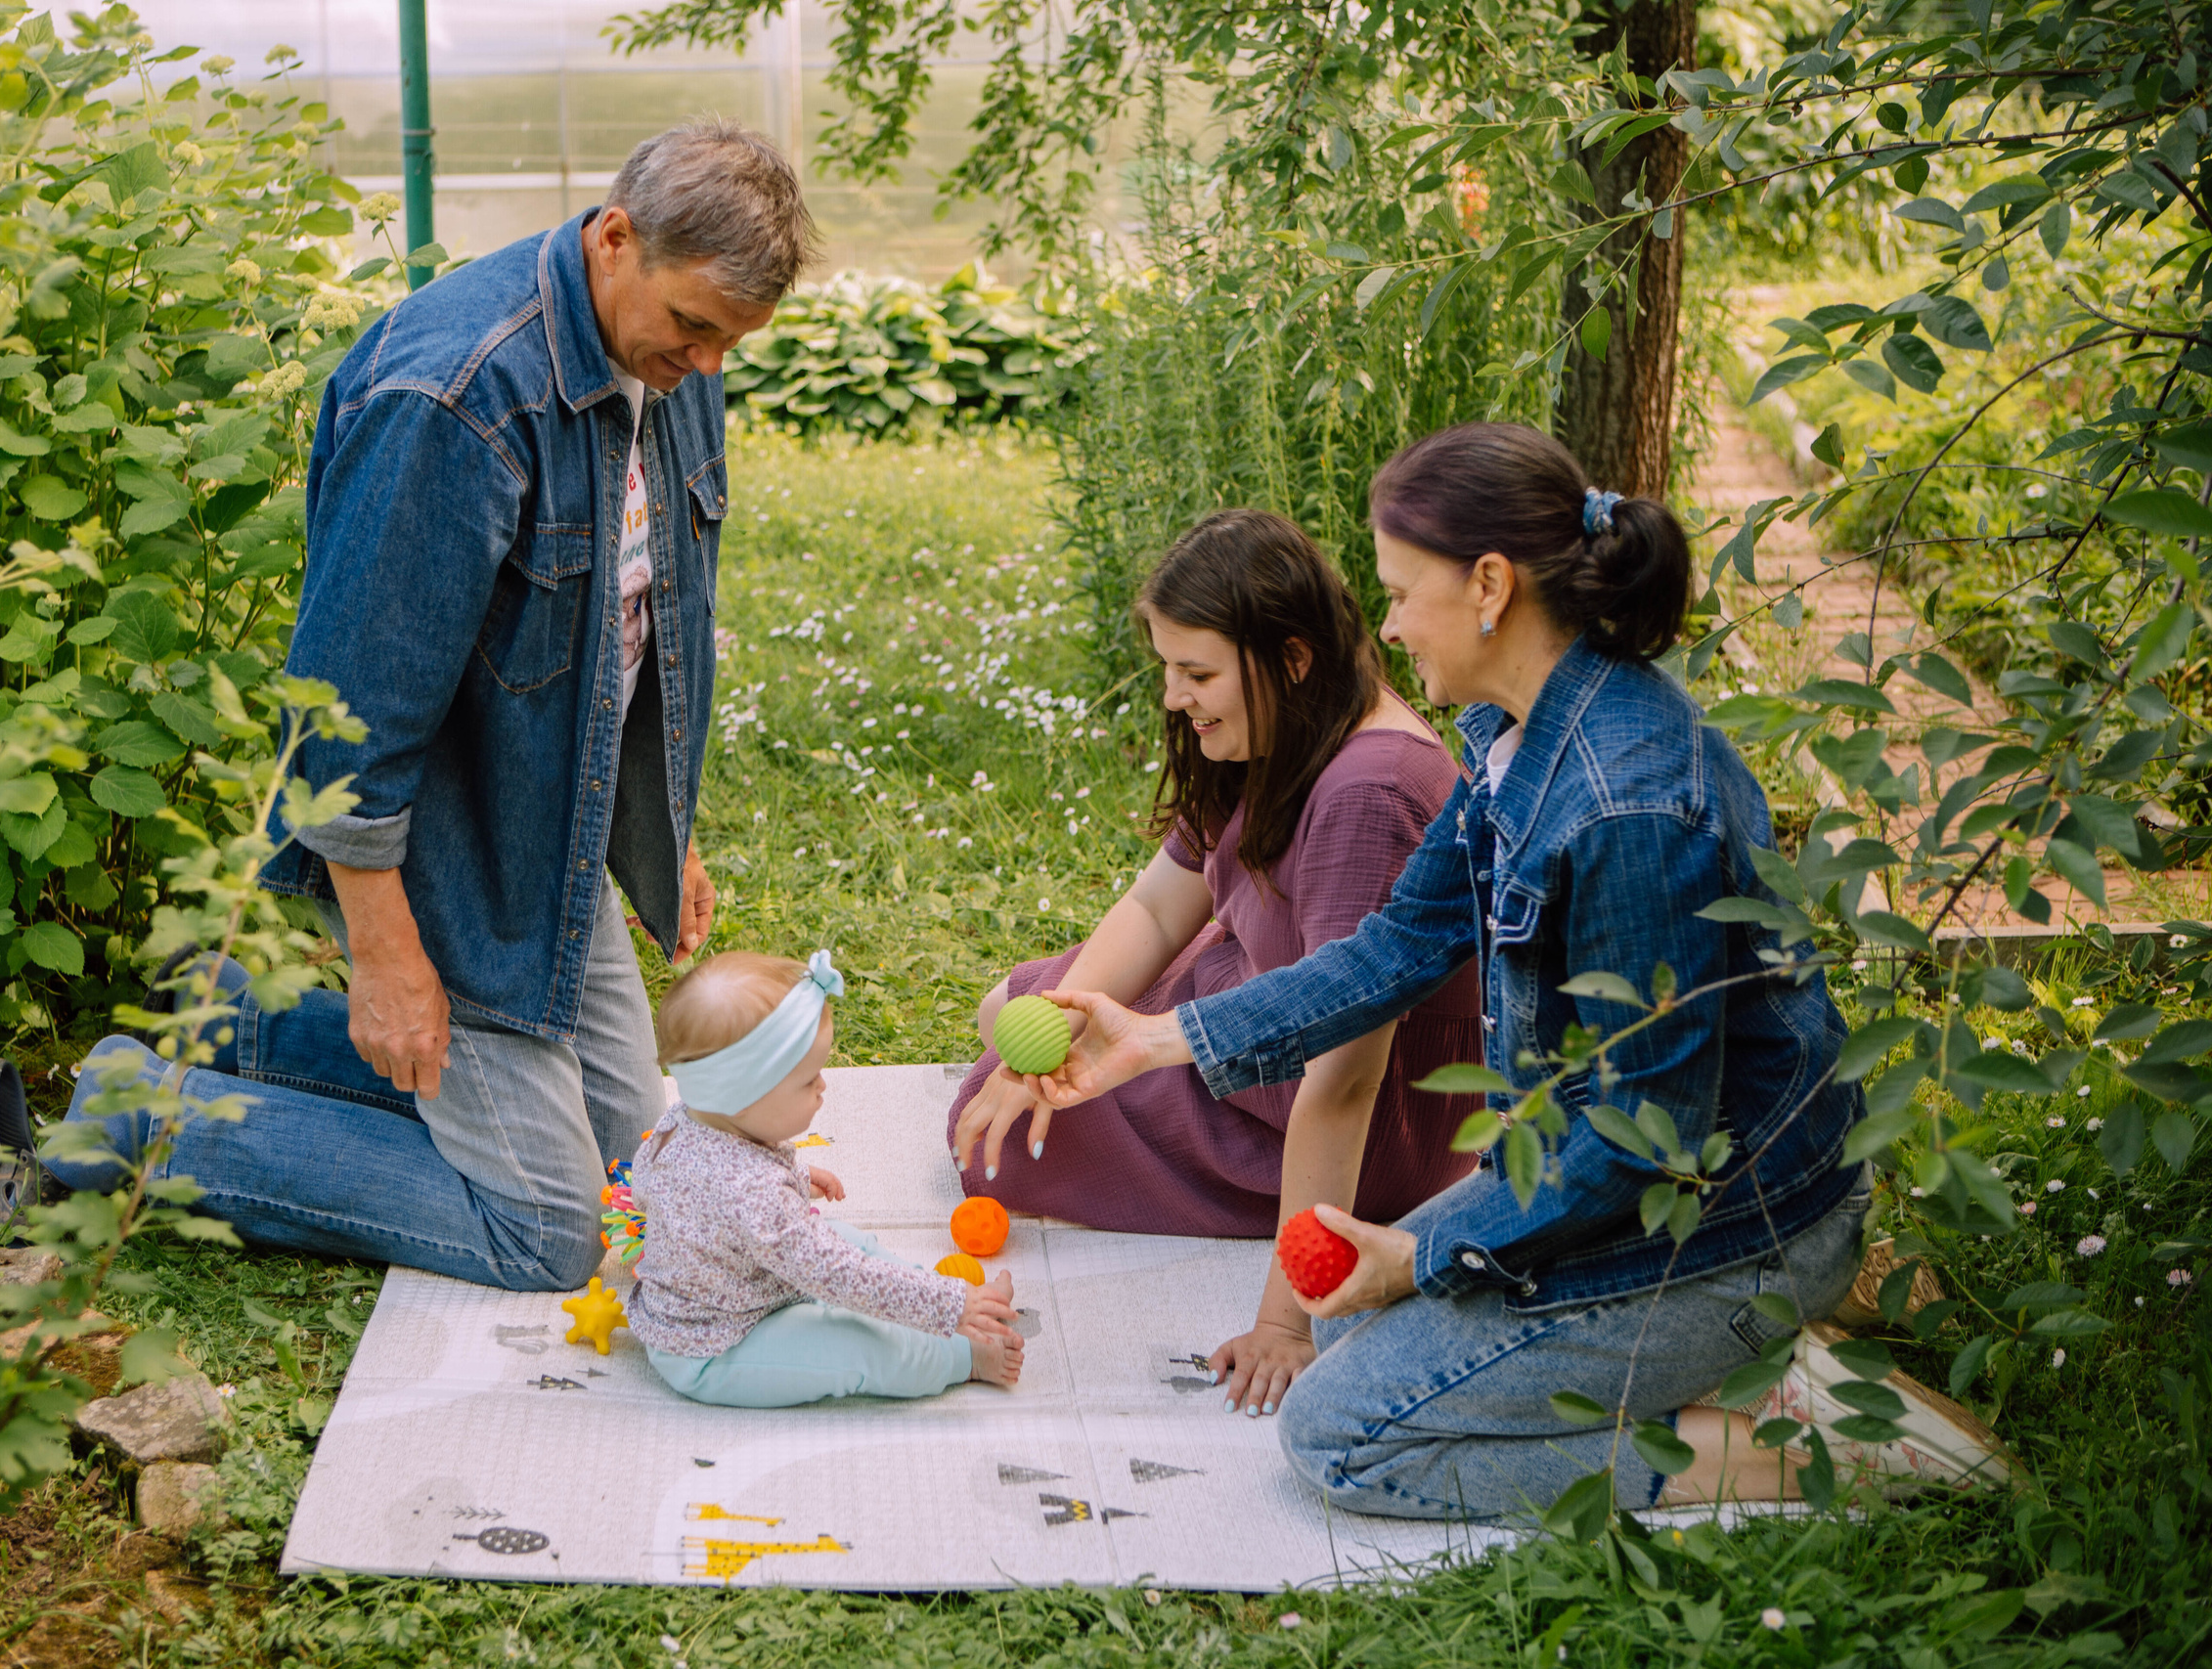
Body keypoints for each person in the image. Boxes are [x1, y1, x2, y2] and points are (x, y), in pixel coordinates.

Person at [1018, 423, 2015, 1518]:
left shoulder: (1627, 807)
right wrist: (1157, 1039)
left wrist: (1421, 1256)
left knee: (1340, 1436)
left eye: (1402, 593)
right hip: (1612, 1186)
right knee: (1342, 1313)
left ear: (1488, 586)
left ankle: (1818, 1438)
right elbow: (1394, 947)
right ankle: (1735, 1355)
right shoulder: (1516, 732)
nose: (1387, 625)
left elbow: (1650, 1138)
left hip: (1723, 1222)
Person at [0, 120, 817, 1292]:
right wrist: (387, 958)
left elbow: (636, 620)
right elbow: (347, 719)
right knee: (557, 1230)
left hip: (546, 838)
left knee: (639, 1168)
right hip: (441, 854)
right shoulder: (453, 398)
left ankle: (229, 1026)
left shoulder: (667, 364)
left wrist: (658, 827)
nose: (710, 364)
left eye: (733, 340)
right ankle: (131, 1117)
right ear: (617, 239)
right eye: (694, 327)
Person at [947, 508, 1482, 1422]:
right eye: (1168, 668)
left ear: (1292, 658)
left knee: (994, 1130)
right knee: (1009, 1015)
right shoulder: (1281, 729)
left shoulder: (1368, 793)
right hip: (1248, 988)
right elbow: (1160, 906)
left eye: (1196, 674)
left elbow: (1346, 1077)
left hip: (1357, 1109)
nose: (1173, 697)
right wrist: (1063, 1023)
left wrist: (1287, 1317)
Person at [627, 950, 1026, 1406]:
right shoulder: (753, 1195)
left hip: (751, 1284)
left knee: (844, 1240)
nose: (823, 1086)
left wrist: (792, 1178)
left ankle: (962, 1307)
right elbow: (838, 1276)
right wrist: (947, 1306)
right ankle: (965, 1353)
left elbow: (665, 1186)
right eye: (808, 1079)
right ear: (742, 1097)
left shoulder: (680, 1121)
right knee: (853, 1346)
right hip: (717, 1346)